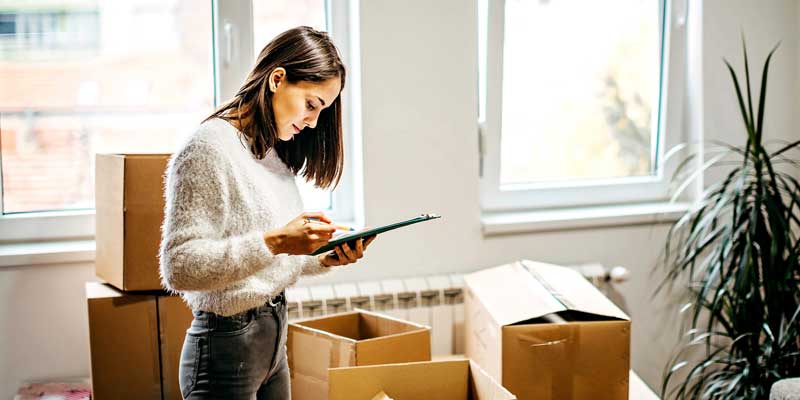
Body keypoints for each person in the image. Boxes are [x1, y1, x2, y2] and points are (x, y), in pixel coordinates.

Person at [158, 26, 374, 399]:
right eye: (311, 104)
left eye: (322, 110)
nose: (313, 122)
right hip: (225, 350)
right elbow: (179, 266)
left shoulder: (270, 153)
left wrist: (323, 255)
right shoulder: (208, 148)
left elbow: (266, 262)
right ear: (277, 79)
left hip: (272, 338)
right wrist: (275, 241)